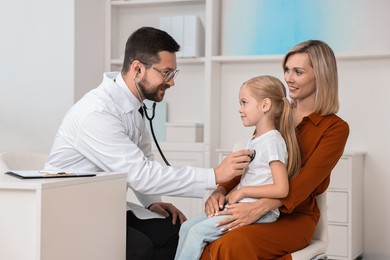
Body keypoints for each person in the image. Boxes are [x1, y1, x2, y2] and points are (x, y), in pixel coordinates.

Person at [44, 27, 253, 260]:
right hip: (70, 214)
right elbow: (141, 174)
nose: (171, 82)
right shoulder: (97, 113)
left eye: (174, 73)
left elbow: (143, 160)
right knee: (140, 248)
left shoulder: (133, 106)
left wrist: (153, 203)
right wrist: (215, 175)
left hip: (104, 207)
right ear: (137, 68)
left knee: (176, 231)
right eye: (166, 73)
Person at [200, 40, 350, 259]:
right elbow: (252, 163)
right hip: (254, 207)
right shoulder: (277, 114)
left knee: (230, 244)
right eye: (287, 70)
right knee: (203, 237)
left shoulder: (335, 128)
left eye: (298, 72)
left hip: (295, 218)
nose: (289, 78)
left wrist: (260, 207)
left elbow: (305, 183)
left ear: (321, 75)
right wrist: (221, 189)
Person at [174, 75, 301, 260]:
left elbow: (281, 189)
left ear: (265, 105)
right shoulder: (256, 138)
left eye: (244, 103)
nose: (240, 109)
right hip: (241, 205)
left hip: (259, 212)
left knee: (197, 233)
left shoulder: (273, 141)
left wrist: (242, 192)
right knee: (186, 228)